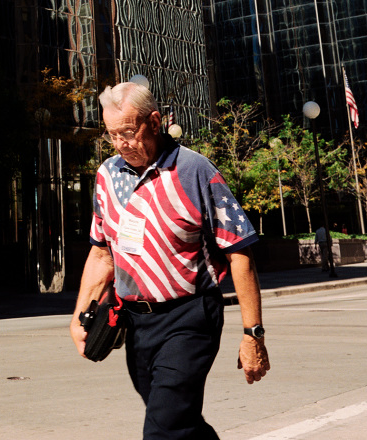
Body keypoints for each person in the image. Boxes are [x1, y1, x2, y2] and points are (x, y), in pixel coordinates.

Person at [70, 82, 269, 439]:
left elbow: (239, 251)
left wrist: (252, 334)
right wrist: (80, 313)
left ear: (155, 122)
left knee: (163, 428)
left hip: (189, 316)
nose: (120, 144)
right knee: (180, 420)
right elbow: (102, 252)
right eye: (112, 135)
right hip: (136, 323)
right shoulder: (106, 176)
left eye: (128, 133)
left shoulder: (195, 171)